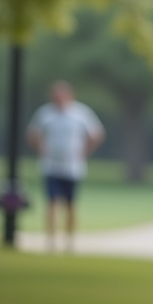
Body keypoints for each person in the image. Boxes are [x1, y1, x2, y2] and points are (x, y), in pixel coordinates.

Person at [27, 81, 105, 252]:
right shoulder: (45, 113)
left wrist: (84, 151)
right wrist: (41, 149)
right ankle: (51, 240)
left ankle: (70, 240)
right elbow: (33, 133)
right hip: (51, 165)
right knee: (52, 202)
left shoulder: (81, 113)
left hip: (72, 166)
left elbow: (96, 133)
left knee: (71, 204)